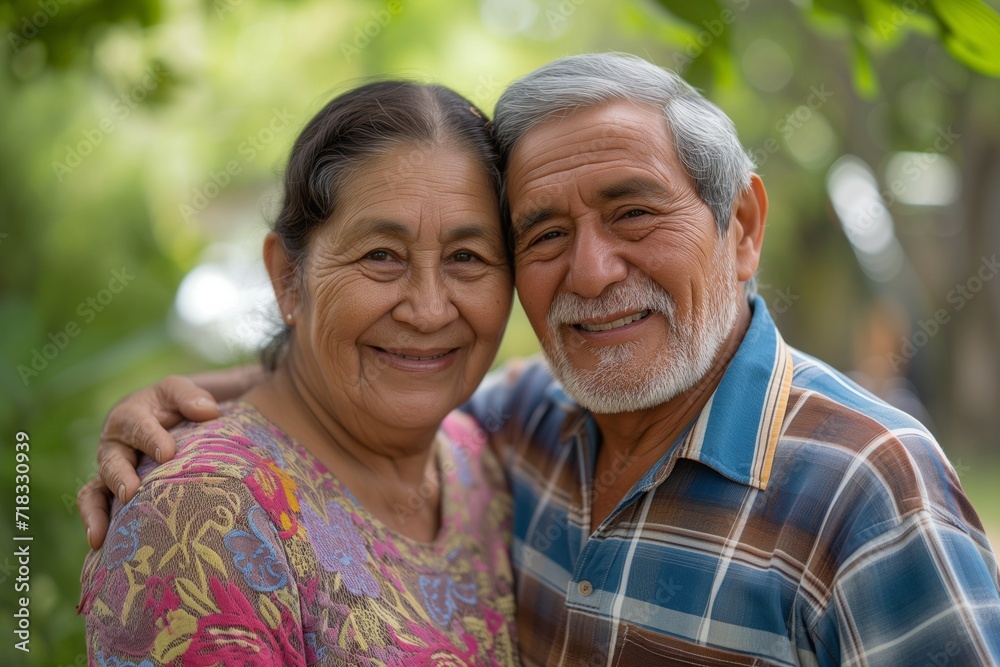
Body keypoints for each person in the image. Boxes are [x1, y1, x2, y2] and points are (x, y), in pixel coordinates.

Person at [81, 54, 1000, 666]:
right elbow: (354, 407)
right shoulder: (522, 426)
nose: (593, 271)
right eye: (546, 232)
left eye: (635, 211)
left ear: (744, 226)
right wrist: (221, 406)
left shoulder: (870, 488)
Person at [78, 80, 522, 666]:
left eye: (467, 257)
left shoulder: (489, 458)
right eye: (380, 256)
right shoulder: (201, 517)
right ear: (289, 277)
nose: (429, 308)